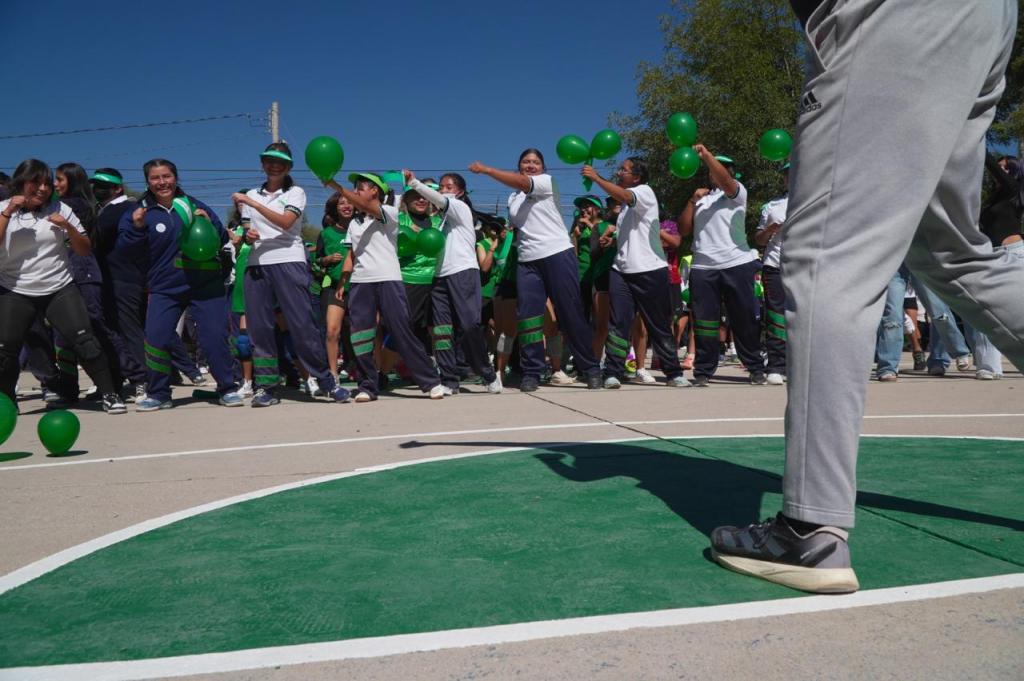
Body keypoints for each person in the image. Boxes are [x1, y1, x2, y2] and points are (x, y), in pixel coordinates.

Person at [710, 0, 1022, 594]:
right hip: (986, 16)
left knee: (828, 258)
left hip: (891, 14)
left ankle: (810, 529)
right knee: (954, 253)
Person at [469, 149, 602, 391]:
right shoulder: (513, 199)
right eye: (526, 162)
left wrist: (488, 170)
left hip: (557, 254)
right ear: (519, 165)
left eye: (535, 162)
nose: (530, 165)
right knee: (528, 317)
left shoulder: (545, 183)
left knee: (569, 311)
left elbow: (522, 182)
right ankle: (532, 371)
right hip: (528, 261)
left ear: (543, 168)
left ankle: (591, 368)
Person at [118, 158, 243, 411]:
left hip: (205, 284)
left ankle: (228, 388)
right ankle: (159, 393)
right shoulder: (140, 211)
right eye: (155, 178)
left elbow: (220, 238)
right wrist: (138, 227)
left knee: (214, 337)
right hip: (165, 286)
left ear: (175, 178)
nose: (162, 182)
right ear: (147, 181)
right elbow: (125, 249)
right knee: (156, 338)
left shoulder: (194, 205)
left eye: (167, 176)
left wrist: (208, 222)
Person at [0, 159, 125, 413]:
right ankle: (6, 403)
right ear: (21, 182)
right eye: (37, 182)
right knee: (5, 351)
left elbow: (84, 249)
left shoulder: (61, 208)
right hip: (15, 289)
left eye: (48, 183)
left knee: (85, 341)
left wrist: (68, 227)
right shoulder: (2, 208)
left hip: (59, 287)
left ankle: (110, 394)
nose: (44, 188)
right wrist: (7, 213)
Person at [231, 142, 349, 406]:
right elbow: (248, 231)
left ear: (288, 167)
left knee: (302, 324)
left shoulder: (296, 192)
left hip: (290, 262)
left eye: (280, 161)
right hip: (257, 265)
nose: (274, 165)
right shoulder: (252, 194)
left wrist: (251, 202)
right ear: (263, 163)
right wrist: (248, 235)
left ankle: (326, 383)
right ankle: (266, 387)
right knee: (259, 330)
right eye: (269, 160)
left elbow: (285, 223)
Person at [323, 172, 443, 402]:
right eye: (354, 188)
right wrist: (343, 281)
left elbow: (366, 205)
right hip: (360, 283)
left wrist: (337, 186)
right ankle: (368, 385)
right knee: (361, 336)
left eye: (360, 187)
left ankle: (429, 381)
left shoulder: (388, 212)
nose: (355, 192)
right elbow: (352, 254)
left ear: (374, 191)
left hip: (388, 279)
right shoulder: (355, 224)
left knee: (401, 330)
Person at [582, 158, 688, 388]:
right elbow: (633, 235)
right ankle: (613, 372)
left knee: (658, 323)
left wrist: (597, 178)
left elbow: (627, 197)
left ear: (637, 177)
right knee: (618, 323)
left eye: (624, 170)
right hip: (621, 271)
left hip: (650, 269)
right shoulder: (624, 213)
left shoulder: (644, 192)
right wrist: (612, 240)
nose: (619, 173)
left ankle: (673, 373)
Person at [404, 170, 502, 395]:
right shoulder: (439, 222)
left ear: (459, 191)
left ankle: (487, 374)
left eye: (448, 187)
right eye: (441, 186)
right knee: (441, 331)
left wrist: (415, 183)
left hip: (463, 272)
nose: (443, 190)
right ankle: (449, 379)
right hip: (439, 278)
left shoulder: (459, 207)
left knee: (469, 325)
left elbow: (438, 199)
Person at [678, 149, 765, 386]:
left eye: (722, 167)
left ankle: (755, 367)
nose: (715, 171)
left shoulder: (737, 192)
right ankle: (704, 370)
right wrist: (692, 201)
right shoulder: (702, 199)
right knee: (705, 322)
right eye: (714, 168)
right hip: (703, 267)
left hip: (736, 262)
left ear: (731, 173)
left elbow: (726, 180)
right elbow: (684, 230)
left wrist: (706, 155)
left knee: (744, 318)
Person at [91, 168, 149, 401]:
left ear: (118, 188)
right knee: (112, 331)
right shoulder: (106, 210)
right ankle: (116, 380)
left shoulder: (122, 209)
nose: (97, 190)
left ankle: (142, 381)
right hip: (108, 279)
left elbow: (98, 240)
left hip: (124, 279)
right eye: (95, 185)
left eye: (103, 186)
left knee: (129, 329)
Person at [754, 163, 789, 385]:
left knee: (807, 315)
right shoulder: (772, 206)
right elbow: (758, 239)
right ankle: (776, 365)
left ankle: (802, 364)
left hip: (807, 265)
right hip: (775, 265)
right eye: (787, 174)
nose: (791, 178)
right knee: (776, 315)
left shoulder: (817, 201)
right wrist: (770, 230)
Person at [315, 192, 355, 384]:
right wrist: (327, 260)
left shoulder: (364, 228)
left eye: (350, 202)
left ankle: (366, 369)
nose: (346, 206)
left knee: (363, 331)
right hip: (333, 287)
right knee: (332, 331)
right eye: (342, 203)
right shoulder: (326, 233)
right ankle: (333, 373)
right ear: (335, 208)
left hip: (360, 287)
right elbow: (316, 262)